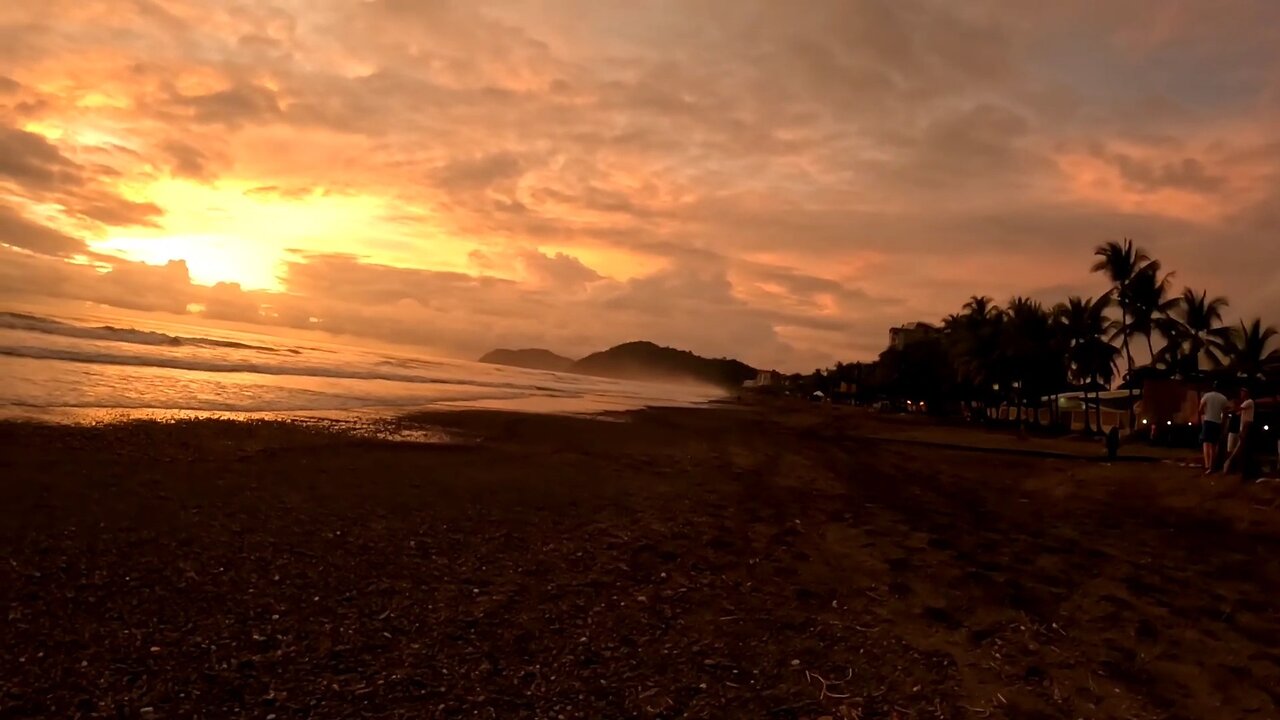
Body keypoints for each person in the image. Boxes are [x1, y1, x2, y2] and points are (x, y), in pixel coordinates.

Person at [1224, 386, 1257, 479]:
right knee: (1239, 449)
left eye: (1243, 392)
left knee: (1241, 448)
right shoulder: (1246, 403)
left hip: (1247, 427)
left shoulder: (1249, 402)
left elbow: (1237, 410)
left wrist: (1228, 410)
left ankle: (1238, 468)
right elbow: (1238, 413)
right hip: (1243, 427)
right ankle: (1237, 468)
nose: (1241, 394)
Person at [1198, 384, 1229, 474]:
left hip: (1207, 421)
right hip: (1217, 422)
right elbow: (1225, 413)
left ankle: (1207, 465)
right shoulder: (1223, 398)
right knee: (1213, 446)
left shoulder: (1207, 396)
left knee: (1206, 443)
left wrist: (1205, 413)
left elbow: (1200, 409)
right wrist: (1223, 424)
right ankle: (1212, 467)